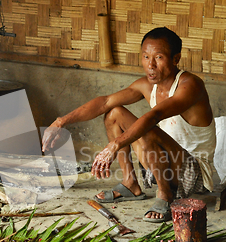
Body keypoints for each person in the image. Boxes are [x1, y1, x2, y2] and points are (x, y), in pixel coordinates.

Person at [42, 27, 216, 222]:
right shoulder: (147, 85)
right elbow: (105, 102)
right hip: (162, 165)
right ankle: (130, 184)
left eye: (158, 57)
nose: (150, 65)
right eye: (145, 56)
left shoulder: (190, 85)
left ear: (175, 59)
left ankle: (165, 195)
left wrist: (114, 145)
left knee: (149, 129)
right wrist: (60, 122)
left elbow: (154, 115)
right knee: (114, 113)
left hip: (192, 172)